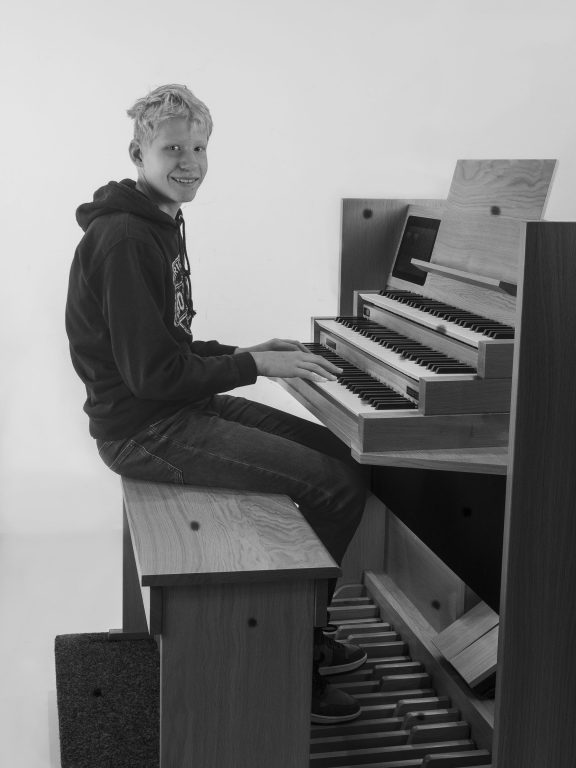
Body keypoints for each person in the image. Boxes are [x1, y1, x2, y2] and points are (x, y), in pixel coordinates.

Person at [65, 83, 368, 724]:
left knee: (341, 456)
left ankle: (304, 625)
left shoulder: (160, 222)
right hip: (143, 429)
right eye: (173, 148)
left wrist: (244, 349)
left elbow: (166, 343)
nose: (191, 162)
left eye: (199, 147)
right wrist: (253, 366)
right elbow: (152, 374)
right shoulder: (125, 239)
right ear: (138, 153)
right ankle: (297, 655)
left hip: (171, 409)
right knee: (336, 487)